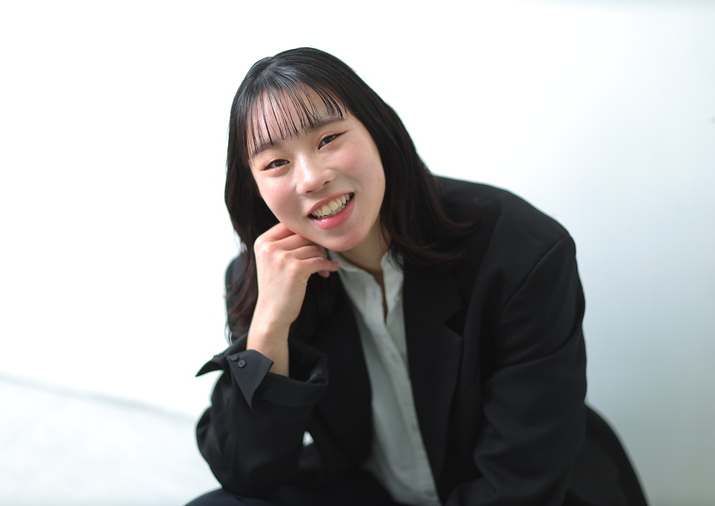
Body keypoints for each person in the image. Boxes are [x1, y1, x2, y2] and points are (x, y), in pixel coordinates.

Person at [186, 47, 647, 506]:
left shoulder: (522, 255)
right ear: (255, 187)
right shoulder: (272, 277)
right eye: (275, 163)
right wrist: (269, 327)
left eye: (328, 139)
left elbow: (519, 486)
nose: (310, 179)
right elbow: (245, 473)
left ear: (377, 129)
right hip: (373, 489)